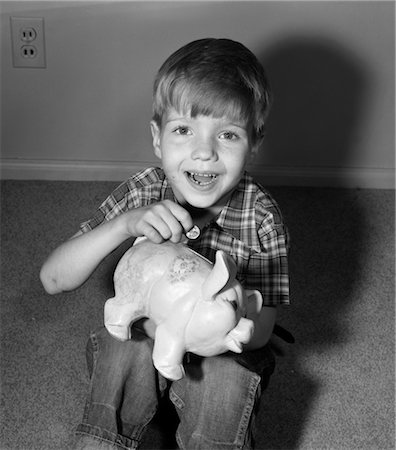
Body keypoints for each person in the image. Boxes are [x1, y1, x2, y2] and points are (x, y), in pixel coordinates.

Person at [40, 37, 290, 450]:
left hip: (221, 357)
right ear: (157, 139)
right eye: (183, 130)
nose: (204, 151)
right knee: (124, 348)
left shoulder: (262, 218)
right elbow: (53, 278)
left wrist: (216, 321)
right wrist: (123, 226)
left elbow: (261, 331)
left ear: (255, 143)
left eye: (227, 135)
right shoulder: (144, 192)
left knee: (225, 381)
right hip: (143, 360)